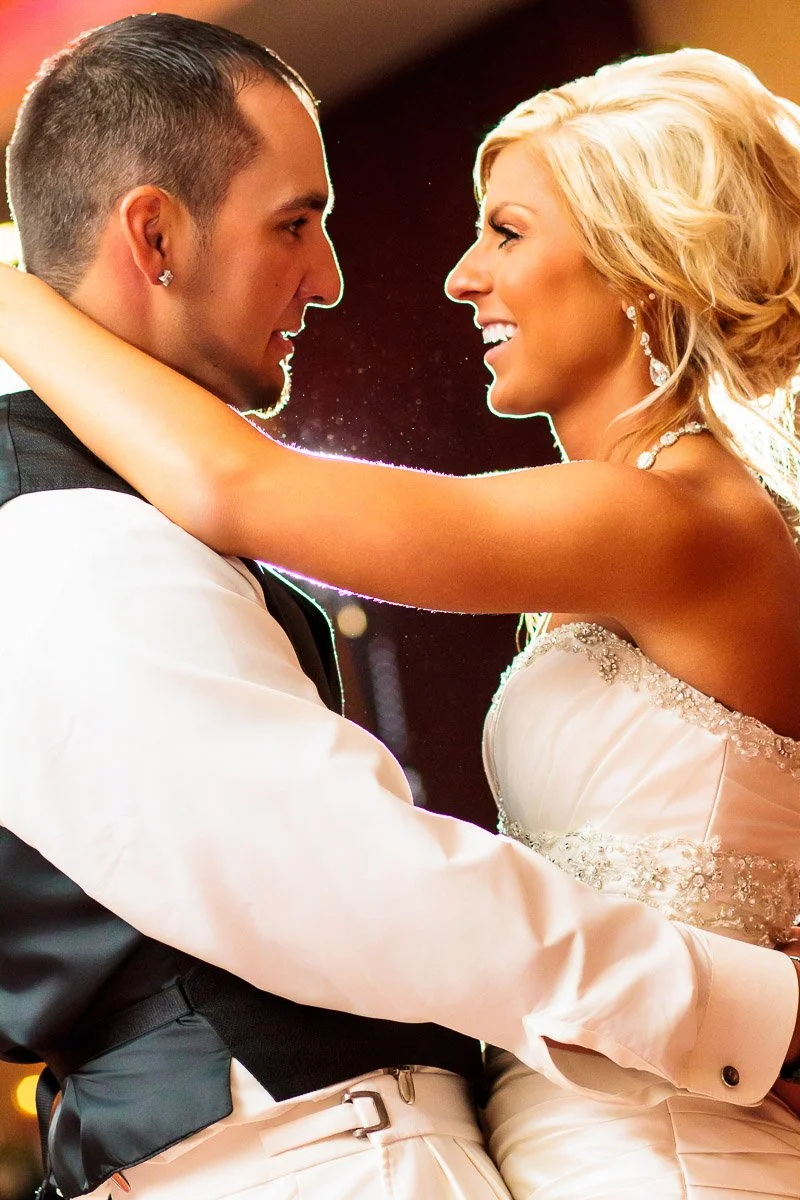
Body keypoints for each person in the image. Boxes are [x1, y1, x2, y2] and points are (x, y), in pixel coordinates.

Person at [1, 21, 799, 1199]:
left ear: (638, 264)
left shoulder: (671, 523)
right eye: (297, 221)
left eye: (506, 233)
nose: (458, 276)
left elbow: (243, 486)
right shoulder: (630, 528)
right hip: (591, 1116)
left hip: (673, 1143)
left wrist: (16, 297)